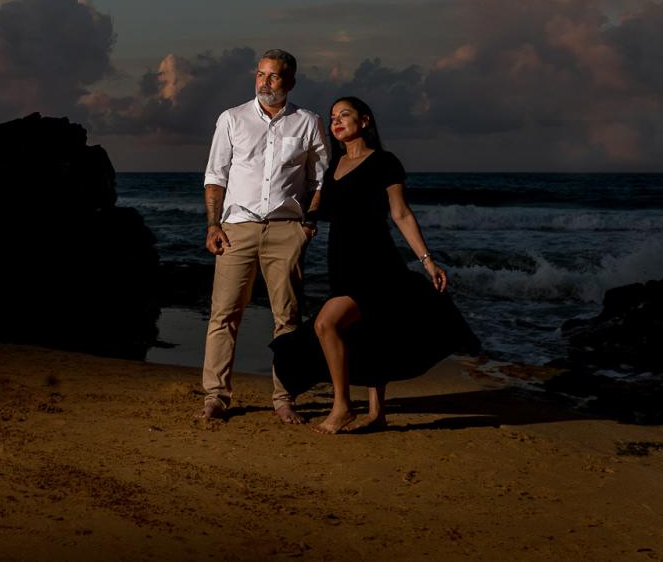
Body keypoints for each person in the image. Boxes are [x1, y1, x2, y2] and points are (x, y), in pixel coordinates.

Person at [273, 95, 479, 434]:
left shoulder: (384, 162)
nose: (336, 120)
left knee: (327, 324)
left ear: (365, 121)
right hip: (341, 262)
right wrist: (303, 223)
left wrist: (427, 260)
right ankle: (377, 413)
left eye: (345, 114)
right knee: (367, 333)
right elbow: (318, 206)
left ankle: (342, 407)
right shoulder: (332, 166)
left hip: (376, 262)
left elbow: (400, 213)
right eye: (333, 116)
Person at [197, 48, 330, 423]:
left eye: (273, 76)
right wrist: (213, 224)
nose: (264, 82)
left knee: (287, 317)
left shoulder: (308, 122)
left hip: (287, 230)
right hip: (236, 227)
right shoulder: (232, 119)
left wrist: (308, 224)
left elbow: (319, 179)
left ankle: (284, 397)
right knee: (224, 314)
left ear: (290, 81)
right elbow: (215, 176)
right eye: (260, 74)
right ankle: (216, 397)